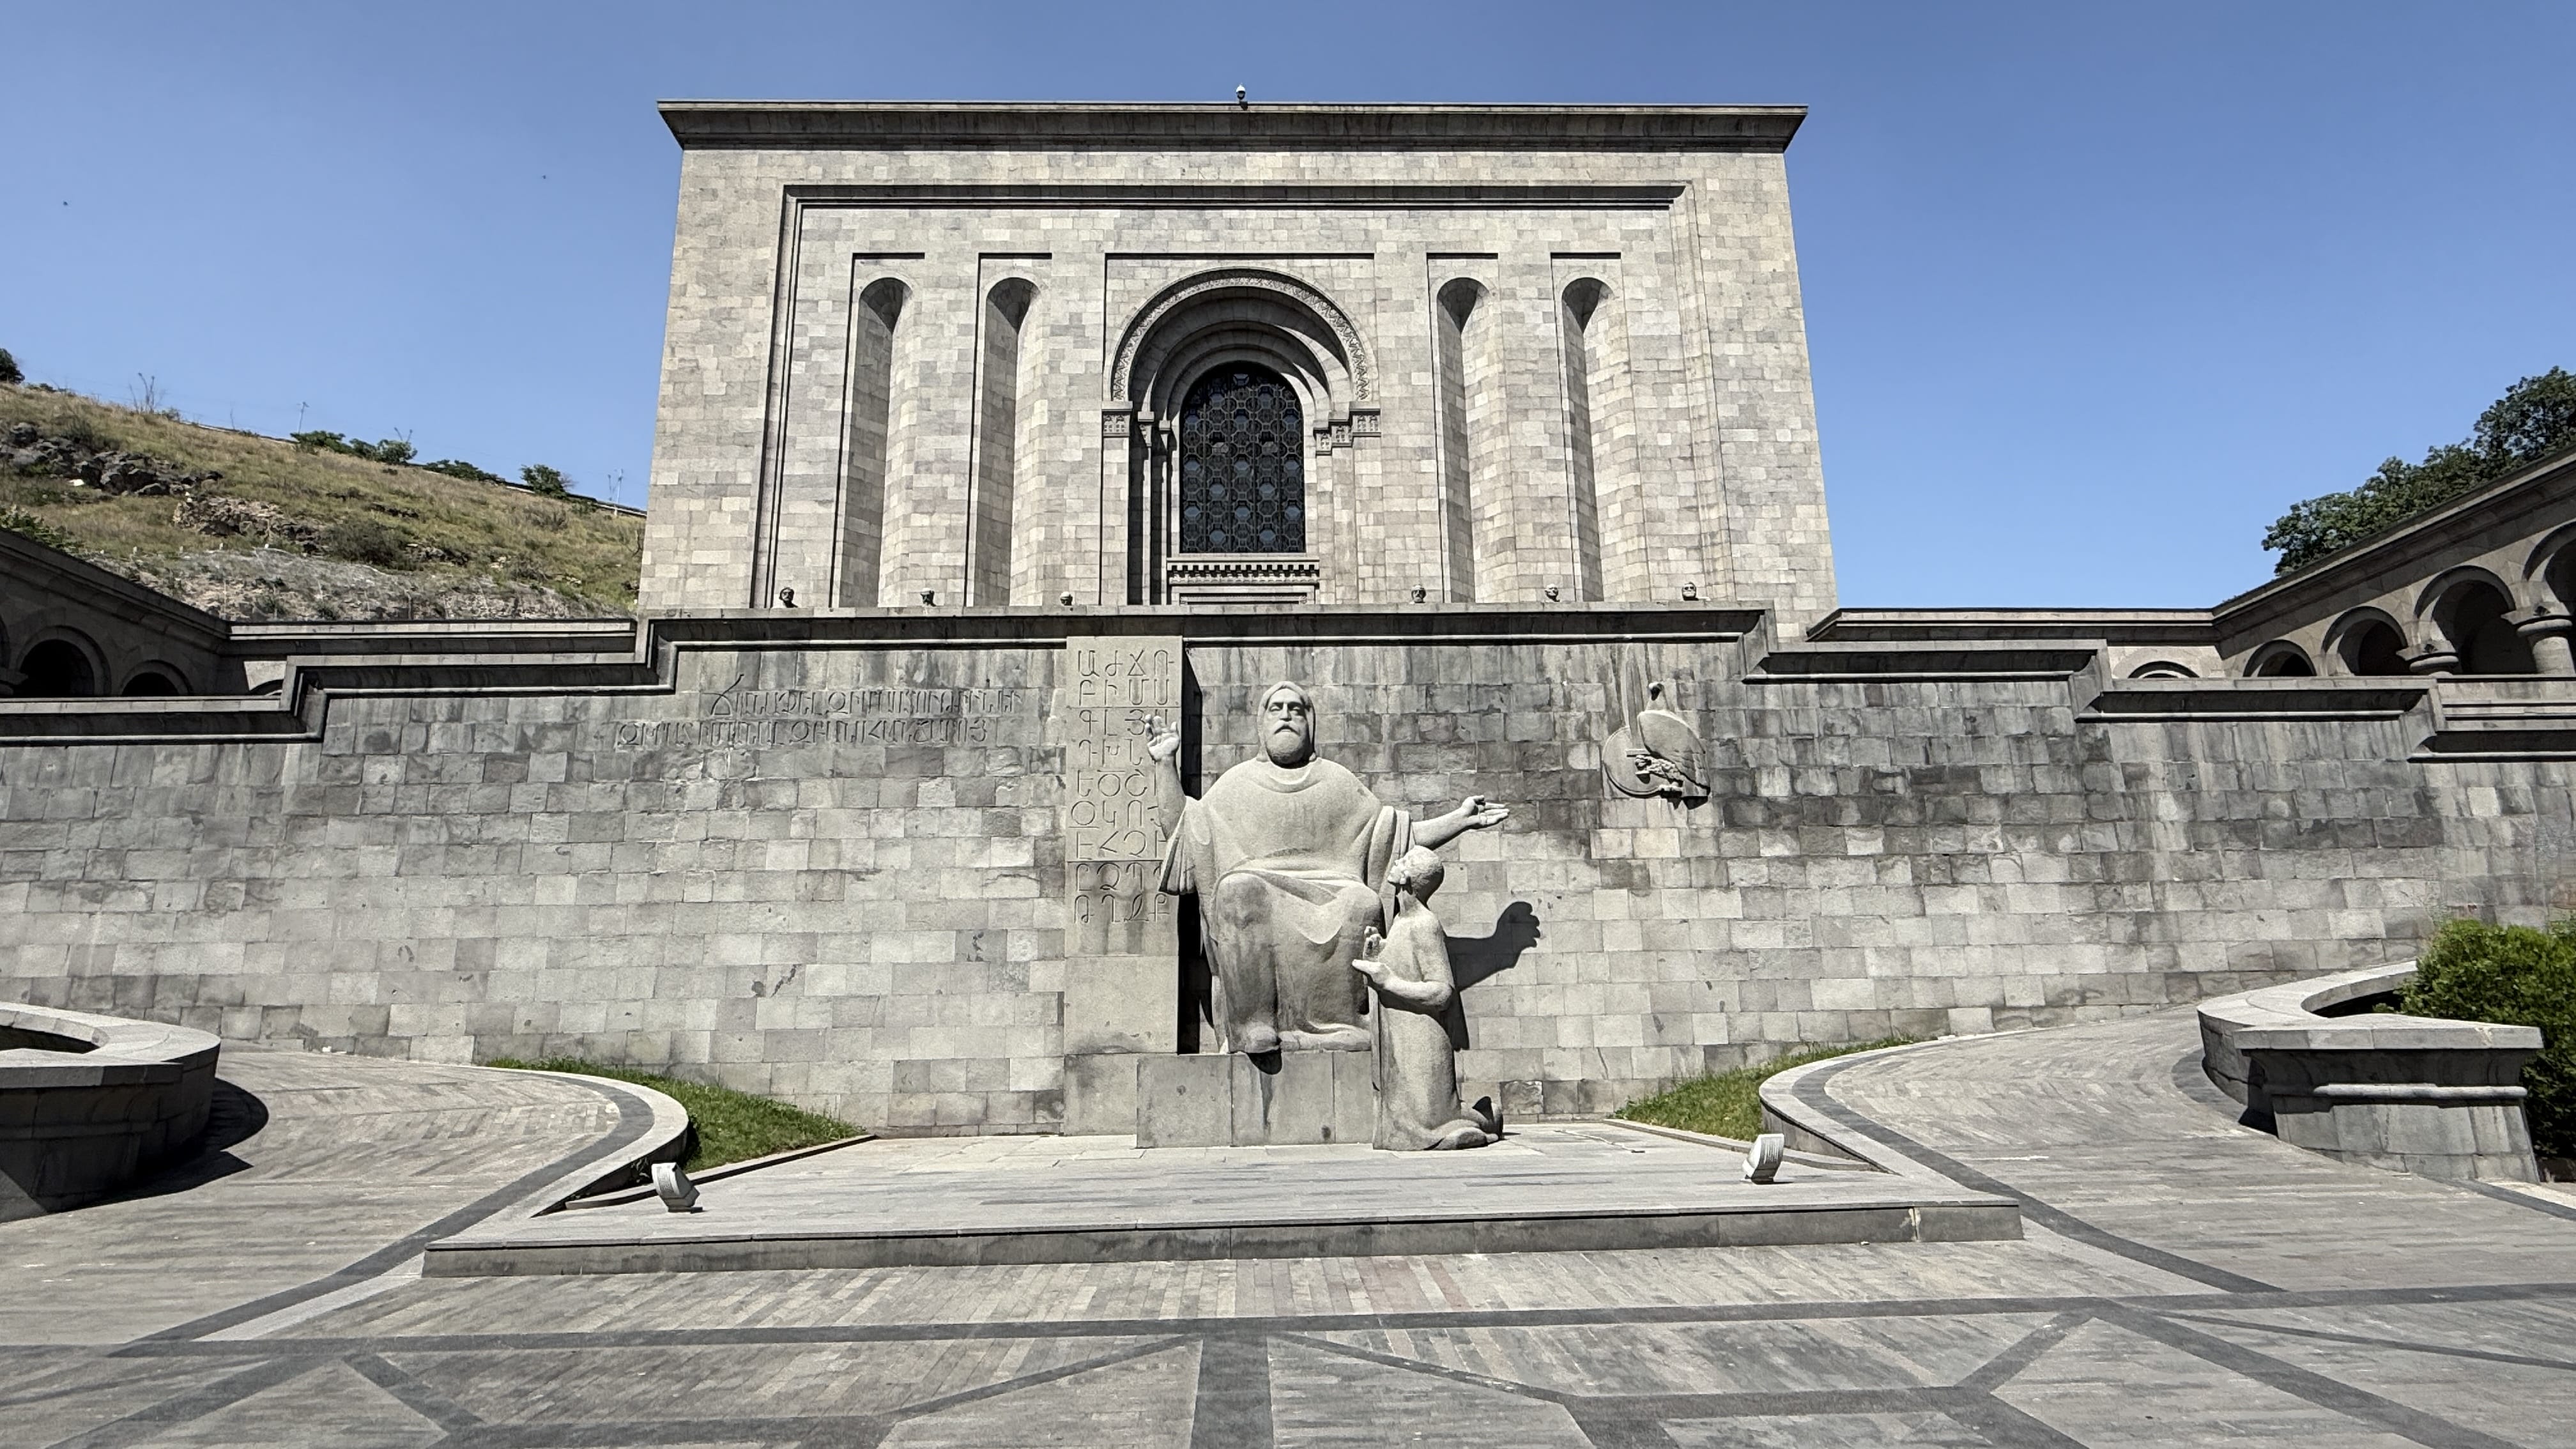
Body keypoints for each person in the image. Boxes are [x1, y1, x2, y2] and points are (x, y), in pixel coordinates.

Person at [1146, 682, 1508, 1054]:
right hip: (1256, 887)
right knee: (1238, 890)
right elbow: (1185, 831)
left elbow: (1395, 835)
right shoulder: (1235, 784)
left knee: (1362, 902)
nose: (1286, 715)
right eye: (1276, 709)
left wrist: (1459, 820)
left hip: (1332, 889)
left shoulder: (1337, 782)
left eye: (1296, 709)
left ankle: (1343, 1025)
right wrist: (1165, 765)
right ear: (1261, 724)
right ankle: (1251, 1024)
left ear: (1310, 723)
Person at [1353, 847, 1500, 1150]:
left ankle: (1482, 1121)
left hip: (1422, 1041)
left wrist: (1390, 982)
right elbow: (1400, 970)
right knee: (1405, 1123)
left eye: (1404, 861)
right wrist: (1377, 954)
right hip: (1400, 1037)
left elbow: (1442, 992)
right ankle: (1478, 1118)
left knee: (1429, 1122)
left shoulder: (1425, 925)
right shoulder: (1400, 924)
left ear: (1407, 878)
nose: (1396, 862)